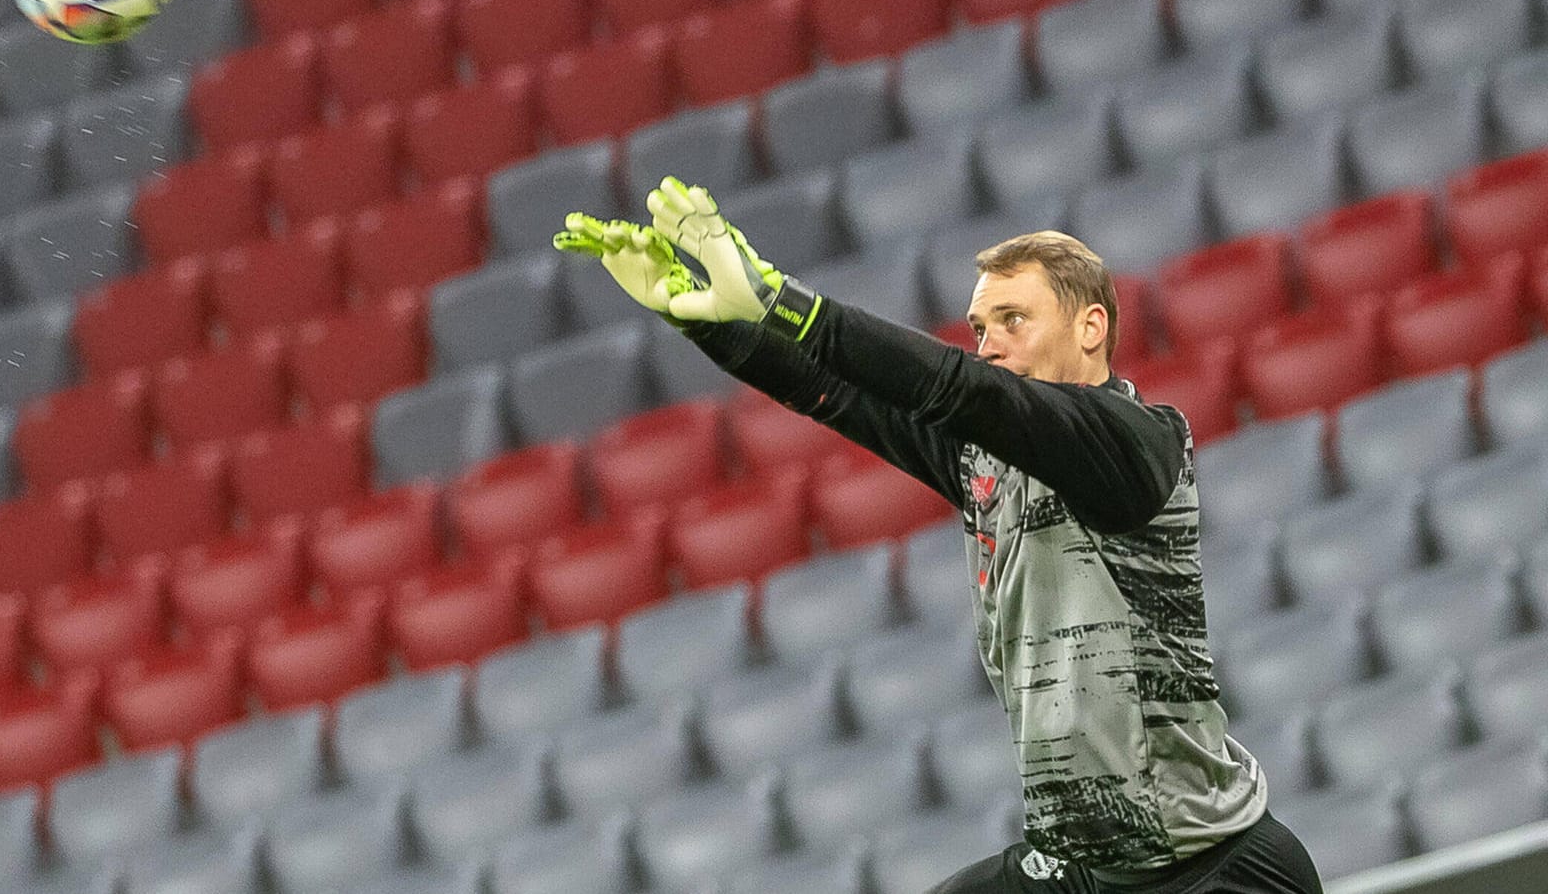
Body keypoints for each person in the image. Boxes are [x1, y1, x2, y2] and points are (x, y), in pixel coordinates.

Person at [554, 177, 1324, 894]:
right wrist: (715, 319)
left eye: (1012, 320)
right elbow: (836, 393)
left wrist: (779, 298)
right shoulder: (986, 462)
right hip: (1082, 868)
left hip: (1217, 870)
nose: (986, 342)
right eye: (979, 325)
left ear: (1092, 327)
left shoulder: (1140, 445)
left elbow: (963, 390)